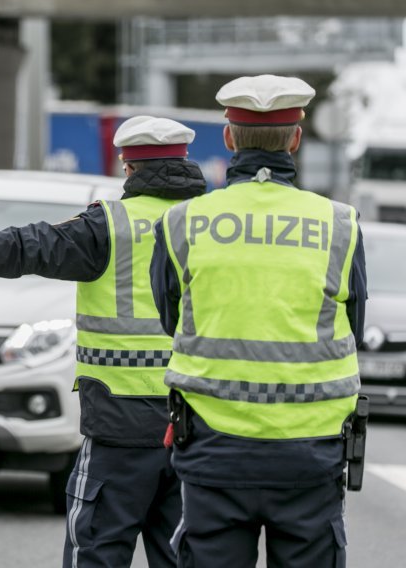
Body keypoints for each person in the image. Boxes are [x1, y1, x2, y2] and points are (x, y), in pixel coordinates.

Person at [0, 116, 207, 567]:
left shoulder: (108, 226)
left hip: (120, 428)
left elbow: (19, 247)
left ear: (128, 168)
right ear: (185, 161)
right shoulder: (218, 225)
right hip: (201, 427)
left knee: (96, 552)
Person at [150, 75, 368, 568]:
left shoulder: (183, 221)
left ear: (228, 138)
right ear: (296, 138)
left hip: (212, 449)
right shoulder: (339, 223)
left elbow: (171, 318)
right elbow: (352, 324)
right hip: (310, 452)